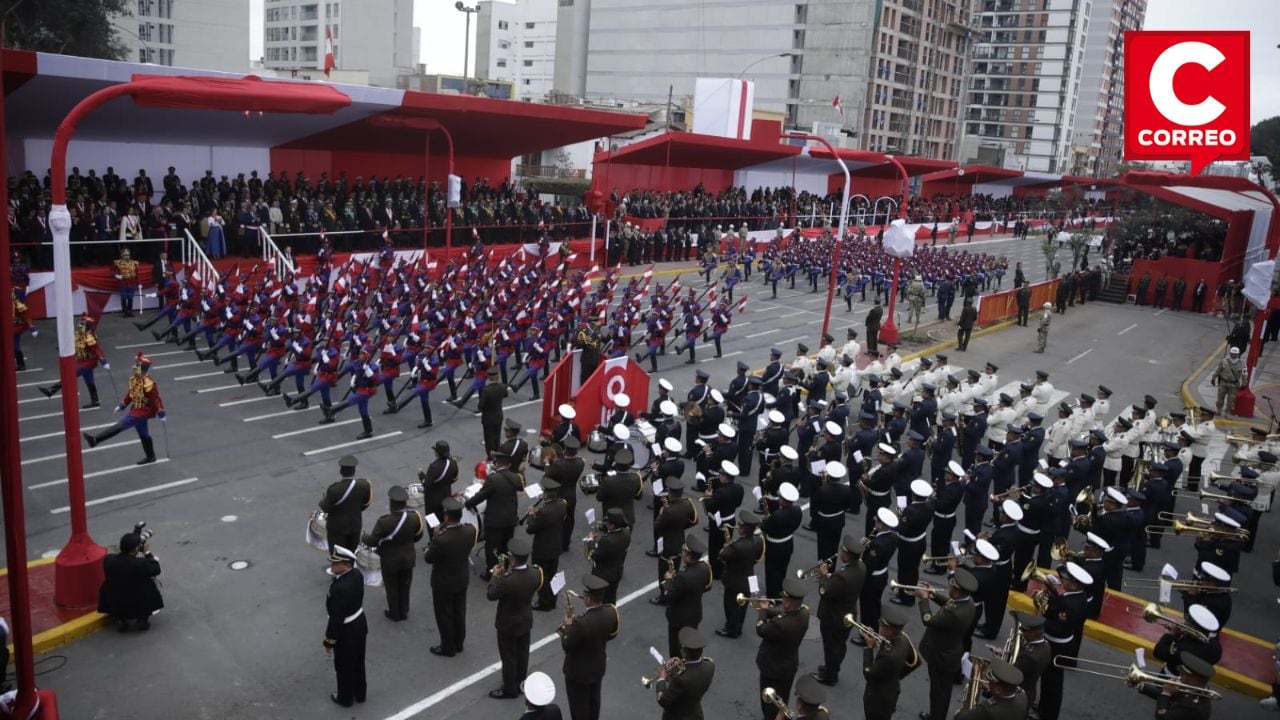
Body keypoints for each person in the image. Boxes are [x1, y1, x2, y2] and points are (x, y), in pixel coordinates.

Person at [916, 568, 980, 720]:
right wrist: (933, 594)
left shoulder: (956, 613)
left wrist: (923, 599)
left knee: (939, 694)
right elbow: (950, 603)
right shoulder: (967, 601)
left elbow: (928, 620)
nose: (949, 590)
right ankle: (935, 715)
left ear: (957, 592)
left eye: (951, 588)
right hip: (949, 653)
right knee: (940, 692)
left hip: (942, 657)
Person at [81, 352, 165, 465]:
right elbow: (131, 393)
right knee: (144, 434)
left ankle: (96, 440)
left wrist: (161, 412)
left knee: (120, 426)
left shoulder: (148, 383)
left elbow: (156, 399)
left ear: (142, 369)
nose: (134, 367)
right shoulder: (135, 379)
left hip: (142, 412)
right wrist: (122, 405)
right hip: (136, 409)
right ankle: (151, 456)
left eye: (137, 365)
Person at [486, 536, 543, 699]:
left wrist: (495, 576)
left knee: (509, 656)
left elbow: (491, 594)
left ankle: (509, 689)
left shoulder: (507, 581)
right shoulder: (535, 573)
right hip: (525, 619)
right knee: (523, 653)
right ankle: (520, 682)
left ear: (512, 559)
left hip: (508, 623)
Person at [559, 573, 620, 720]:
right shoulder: (611, 611)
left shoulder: (581, 623)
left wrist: (567, 627)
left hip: (578, 673)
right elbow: (612, 634)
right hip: (597, 667)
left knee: (579, 711)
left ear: (588, 599)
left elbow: (567, 645)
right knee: (593, 705)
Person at [423, 497, 478, 657]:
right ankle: (459, 643)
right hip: (461, 577)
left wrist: (435, 537)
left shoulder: (442, 539)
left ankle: (448, 647)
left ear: (446, 516)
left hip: (443, 581)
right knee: (459, 612)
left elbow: (429, 558)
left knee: (444, 615)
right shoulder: (470, 530)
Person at [361, 485, 424, 621]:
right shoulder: (414, 518)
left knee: (392, 587)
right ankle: (404, 611)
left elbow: (372, 541)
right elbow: (418, 536)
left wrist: (363, 536)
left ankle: (395, 613)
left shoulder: (384, 522)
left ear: (391, 504)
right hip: (408, 558)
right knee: (405, 585)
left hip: (390, 560)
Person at [810, 534, 866, 686]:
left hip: (834, 616)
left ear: (848, 555)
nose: (841, 553)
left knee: (831, 646)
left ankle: (830, 675)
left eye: (843, 551)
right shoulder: (860, 566)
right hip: (847, 613)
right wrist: (830, 576)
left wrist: (822, 576)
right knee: (839, 645)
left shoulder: (843, 576)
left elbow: (824, 591)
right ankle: (832, 668)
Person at [756, 577, 811, 720]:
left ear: (788, 602)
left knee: (769, 701)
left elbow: (761, 629)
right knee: (782, 699)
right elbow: (783, 615)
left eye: (784, 599)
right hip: (788, 666)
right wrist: (769, 610)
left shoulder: (780, 625)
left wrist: (762, 611)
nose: (782, 601)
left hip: (772, 667)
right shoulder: (804, 613)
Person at [322, 545, 367, 707]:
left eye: (336, 564)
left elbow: (336, 619)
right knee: (358, 662)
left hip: (346, 631)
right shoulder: (356, 574)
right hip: (359, 624)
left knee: (343, 666)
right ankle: (360, 693)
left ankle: (345, 698)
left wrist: (329, 641)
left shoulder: (341, 588)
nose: (332, 566)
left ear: (347, 564)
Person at [466, 452, 523, 580]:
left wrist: (468, 504)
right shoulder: (515, 477)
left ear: (497, 464)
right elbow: (520, 487)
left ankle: (491, 572)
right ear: (508, 465)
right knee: (506, 545)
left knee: (492, 548)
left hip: (495, 520)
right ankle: (504, 568)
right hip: (510, 519)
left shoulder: (493, 479)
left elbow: (481, 496)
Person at [38, 314, 110, 408]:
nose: (80, 325)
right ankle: (95, 401)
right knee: (89, 381)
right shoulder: (78, 335)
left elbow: (97, 350)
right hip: (80, 360)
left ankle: (51, 391)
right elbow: (72, 343)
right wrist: (62, 348)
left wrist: (103, 361)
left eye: (82, 324)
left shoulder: (89, 338)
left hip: (88, 362)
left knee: (69, 375)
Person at [98, 530, 163, 632]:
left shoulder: (108, 559)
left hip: (115, 601)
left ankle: (121, 620)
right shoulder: (141, 564)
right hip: (137, 602)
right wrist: (147, 552)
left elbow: (124, 562)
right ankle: (142, 620)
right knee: (150, 585)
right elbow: (156, 569)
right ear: (137, 548)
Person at [662, 533, 712, 658]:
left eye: (684, 551)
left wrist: (669, 580)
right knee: (690, 646)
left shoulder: (683, 577)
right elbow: (707, 587)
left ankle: (676, 672)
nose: (682, 553)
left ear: (689, 557)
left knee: (676, 650)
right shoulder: (705, 567)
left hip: (679, 619)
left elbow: (669, 597)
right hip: (694, 614)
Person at [862, 603, 915, 720]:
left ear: (889, 631)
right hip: (891, 690)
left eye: (881, 624)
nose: (879, 625)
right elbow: (915, 661)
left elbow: (869, 674)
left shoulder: (889, 657)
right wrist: (895, 674)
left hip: (878, 701)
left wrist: (869, 648)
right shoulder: (904, 638)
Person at [652, 626, 716, 720]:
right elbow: (694, 668)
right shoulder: (710, 665)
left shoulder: (681, 679)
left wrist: (661, 678)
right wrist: (681, 663)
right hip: (695, 714)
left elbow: (663, 700)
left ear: (684, 652)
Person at [315, 455, 373, 556]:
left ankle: (340, 570)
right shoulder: (364, 485)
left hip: (337, 527)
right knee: (352, 552)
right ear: (354, 471)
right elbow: (366, 502)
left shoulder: (334, 489)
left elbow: (325, 508)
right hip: (355, 524)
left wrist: (322, 501)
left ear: (341, 471)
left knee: (338, 555)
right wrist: (356, 510)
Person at [525, 476, 568, 611]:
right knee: (552, 575)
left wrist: (532, 514)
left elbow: (530, 529)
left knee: (542, 577)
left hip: (542, 549)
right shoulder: (562, 504)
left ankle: (544, 602)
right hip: (555, 546)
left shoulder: (543, 513)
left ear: (545, 494)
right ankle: (552, 599)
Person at [953, 659, 1028, 720]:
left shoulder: (987, 709)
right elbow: (1004, 699)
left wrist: (960, 712)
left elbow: (960, 718)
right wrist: (990, 690)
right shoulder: (1023, 697)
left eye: (990, 683)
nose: (988, 683)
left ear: (998, 690)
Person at [478, 366, 509, 455]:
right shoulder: (502, 387)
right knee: (497, 437)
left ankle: (491, 457)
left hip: (488, 418)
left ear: (489, 377)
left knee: (489, 440)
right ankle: (497, 454)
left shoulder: (486, 390)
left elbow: (480, 406)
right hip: (498, 415)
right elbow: (505, 394)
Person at [1212, 346, 1244, 416]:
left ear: (1238, 354)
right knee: (1220, 397)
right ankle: (1219, 410)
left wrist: (1244, 383)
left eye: (1235, 354)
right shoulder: (1224, 361)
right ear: (1230, 353)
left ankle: (1227, 413)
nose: (1234, 355)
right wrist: (1213, 378)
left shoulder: (1242, 364)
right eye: (1232, 353)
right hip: (1223, 382)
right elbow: (1218, 370)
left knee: (1231, 400)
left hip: (1233, 385)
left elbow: (1244, 374)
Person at [113, 246, 140, 317]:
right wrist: (117, 276)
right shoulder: (118, 263)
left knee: (130, 297)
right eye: (125, 255)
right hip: (123, 282)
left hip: (132, 282)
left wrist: (139, 283)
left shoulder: (134, 263)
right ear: (122, 255)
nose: (126, 256)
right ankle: (125, 311)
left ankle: (130, 311)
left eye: (128, 255)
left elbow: (137, 274)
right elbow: (113, 272)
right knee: (124, 297)